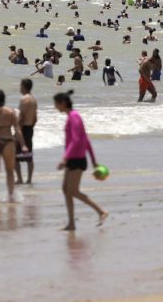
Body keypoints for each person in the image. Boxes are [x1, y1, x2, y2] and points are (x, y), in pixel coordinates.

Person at [54, 90, 108, 230]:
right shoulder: (72, 116)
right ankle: (71, 223)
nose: (55, 107)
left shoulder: (74, 116)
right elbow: (86, 139)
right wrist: (94, 160)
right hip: (74, 158)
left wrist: (64, 158)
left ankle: (101, 211)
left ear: (63, 103)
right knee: (66, 189)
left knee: (73, 191)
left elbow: (78, 140)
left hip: (77, 159)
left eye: (56, 104)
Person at [16, 78, 37, 185]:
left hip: (23, 128)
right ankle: (29, 179)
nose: (20, 87)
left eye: (20, 85)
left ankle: (19, 179)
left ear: (24, 86)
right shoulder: (33, 99)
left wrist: (17, 131)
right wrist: (31, 127)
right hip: (30, 128)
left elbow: (21, 117)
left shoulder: (23, 99)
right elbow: (35, 118)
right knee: (29, 156)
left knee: (16, 157)